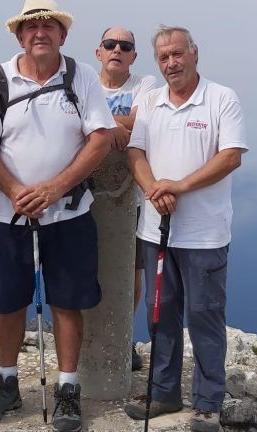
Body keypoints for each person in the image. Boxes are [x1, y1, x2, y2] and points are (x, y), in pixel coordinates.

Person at [0, 0, 114, 432]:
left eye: (48, 26)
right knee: (9, 300)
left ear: (63, 35)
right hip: (10, 214)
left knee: (68, 300)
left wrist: (54, 189)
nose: (39, 33)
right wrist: (15, 190)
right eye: (31, 27)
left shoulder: (81, 77)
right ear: (19, 36)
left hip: (68, 212)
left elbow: (101, 138)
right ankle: (7, 380)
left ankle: (68, 387)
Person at [123, 26, 248, 432]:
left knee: (204, 316)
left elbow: (230, 157)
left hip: (204, 235)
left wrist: (178, 186)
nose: (171, 63)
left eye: (178, 54)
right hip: (155, 229)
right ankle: (163, 392)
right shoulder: (151, 100)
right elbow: (135, 152)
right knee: (160, 315)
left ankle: (208, 403)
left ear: (194, 53)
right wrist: (152, 189)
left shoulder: (221, 98)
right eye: (163, 58)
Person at [93, 26, 157, 371]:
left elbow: (142, 120)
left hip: (130, 196)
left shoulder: (144, 86)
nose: (117, 49)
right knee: (86, 267)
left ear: (133, 56)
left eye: (125, 46)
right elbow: (71, 121)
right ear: (98, 51)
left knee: (130, 271)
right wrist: (118, 127)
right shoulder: (85, 80)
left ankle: (122, 335)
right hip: (85, 193)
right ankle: (88, 336)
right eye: (110, 44)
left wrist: (97, 125)